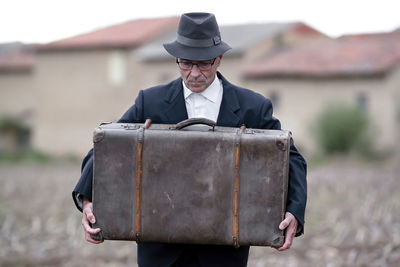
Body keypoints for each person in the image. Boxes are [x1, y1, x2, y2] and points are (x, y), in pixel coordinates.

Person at [72, 12, 307, 267]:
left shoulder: (254, 107)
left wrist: (294, 210)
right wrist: (86, 200)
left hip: (224, 254)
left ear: (219, 59)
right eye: (186, 63)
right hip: (160, 253)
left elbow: (291, 159)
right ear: (177, 60)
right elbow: (107, 146)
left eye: (203, 64)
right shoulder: (150, 102)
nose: (194, 73)